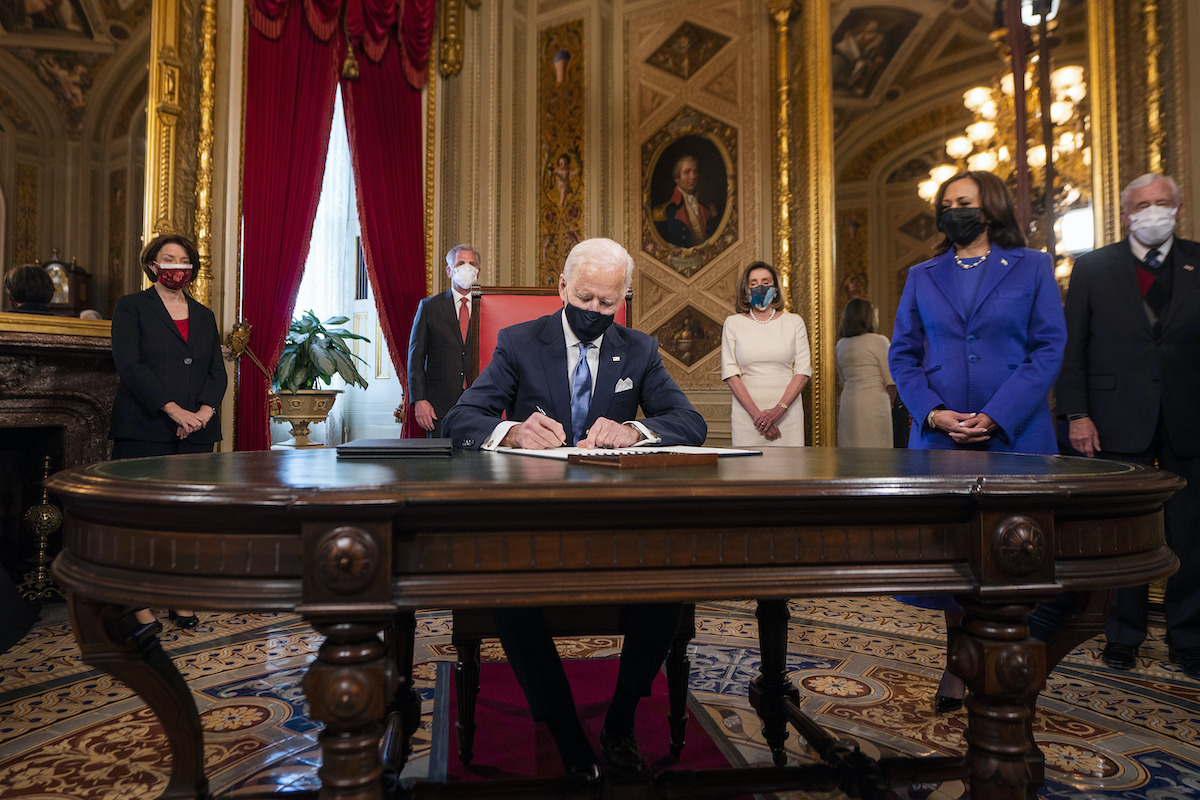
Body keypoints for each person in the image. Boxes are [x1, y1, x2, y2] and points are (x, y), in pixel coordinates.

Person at [443, 237, 706, 776]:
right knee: (507, 590)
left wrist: (634, 430)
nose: (594, 311)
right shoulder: (519, 342)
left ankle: (620, 723)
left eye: (608, 303)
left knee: (670, 580)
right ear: (563, 287)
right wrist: (513, 431)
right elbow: (460, 419)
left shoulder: (639, 350)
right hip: (533, 522)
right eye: (585, 298)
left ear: (622, 300)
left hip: (616, 523)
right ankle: (567, 737)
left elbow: (690, 423)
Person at [888, 170, 1067, 711]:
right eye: (945, 204)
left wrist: (995, 415)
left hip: (1016, 435)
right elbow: (903, 354)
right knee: (953, 558)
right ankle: (958, 663)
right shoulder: (922, 275)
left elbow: (1048, 348)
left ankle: (1010, 660)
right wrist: (933, 412)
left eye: (962, 202)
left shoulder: (1032, 266)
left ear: (988, 207)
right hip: (941, 439)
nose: (952, 212)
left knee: (1013, 552)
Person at [1056, 173, 1200, 680]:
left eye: (1163, 202)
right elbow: (1074, 348)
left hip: (1188, 416)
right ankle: (1123, 634)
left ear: (1178, 209)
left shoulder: (1197, 260)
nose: (1153, 211)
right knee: (1126, 532)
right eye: (1142, 205)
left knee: (1190, 533)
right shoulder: (1094, 267)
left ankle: (1189, 637)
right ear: (1124, 214)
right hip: (1115, 417)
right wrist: (1076, 413)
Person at [110, 234, 227, 631]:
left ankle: (180, 593)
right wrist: (174, 410)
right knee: (140, 520)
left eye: (184, 260)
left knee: (186, 520)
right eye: (169, 259)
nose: (178, 266)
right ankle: (136, 601)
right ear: (153, 265)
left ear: (192, 268)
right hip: (145, 428)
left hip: (196, 432)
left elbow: (216, 371)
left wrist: (203, 413)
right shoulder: (131, 306)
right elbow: (130, 366)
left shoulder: (205, 315)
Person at [720, 262, 811, 447]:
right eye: (753, 283)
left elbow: (803, 371)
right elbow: (730, 373)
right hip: (747, 416)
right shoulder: (733, 323)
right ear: (745, 290)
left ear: (775, 289)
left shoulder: (794, 322)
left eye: (765, 282)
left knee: (789, 464)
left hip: (787, 413)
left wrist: (779, 410)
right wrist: (758, 417)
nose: (759, 287)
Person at [406, 244, 479, 438]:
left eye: (472, 264)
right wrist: (419, 400)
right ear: (449, 271)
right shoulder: (430, 307)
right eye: (460, 263)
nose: (467, 268)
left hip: (479, 402)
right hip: (439, 405)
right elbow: (416, 358)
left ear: (478, 271)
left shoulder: (488, 306)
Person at [836, 298, 896, 447]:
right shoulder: (879, 341)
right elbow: (891, 380)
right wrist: (890, 405)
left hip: (848, 401)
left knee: (851, 449)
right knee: (876, 449)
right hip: (874, 401)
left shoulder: (841, 344)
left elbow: (842, 380)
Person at [655, 155, 719, 248]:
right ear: (677, 178)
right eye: (687, 172)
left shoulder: (707, 206)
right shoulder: (664, 211)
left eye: (695, 171)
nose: (693, 177)